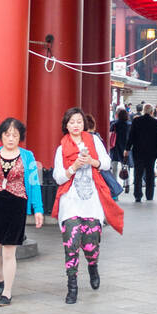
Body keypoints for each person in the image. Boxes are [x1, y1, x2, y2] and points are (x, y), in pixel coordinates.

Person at [52, 107, 123, 303]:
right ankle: (72, 285)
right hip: (70, 202)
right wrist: (73, 167)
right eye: (72, 122)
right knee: (71, 241)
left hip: (92, 202)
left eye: (79, 121)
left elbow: (107, 164)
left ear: (84, 124)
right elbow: (58, 177)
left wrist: (93, 161)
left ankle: (93, 265)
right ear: (66, 125)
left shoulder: (94, 142)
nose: (75, 125)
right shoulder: (61, 149)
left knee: (91, 243)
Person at [0, 117, 44, 306]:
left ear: (20, 137)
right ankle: (0, 276)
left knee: (9, 253)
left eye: (15, 135)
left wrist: (38, 209)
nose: (11, 138)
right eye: (7, 134)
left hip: (16, 207)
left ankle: (7, 292)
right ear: (1, 136)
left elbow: (34, 184)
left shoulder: (28, 156)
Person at [127, 102, 157, 201]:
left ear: (143, 111)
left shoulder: (136, 121)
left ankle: (138, 195)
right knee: (150, 173)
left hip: (138, 151)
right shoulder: (156, 123)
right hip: (151, 153)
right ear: (152, 112)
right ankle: (149, 195)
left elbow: (131, 136)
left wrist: (127, 148)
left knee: (138, 173)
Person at [109, 106, 131, 190]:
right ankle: (127, 183)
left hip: (115, 147)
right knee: (125, 166)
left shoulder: (114, 124)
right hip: (126, 147)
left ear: (117, 115)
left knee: (114, 167)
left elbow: (110, 135)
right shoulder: (129, 125)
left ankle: (115, 185)